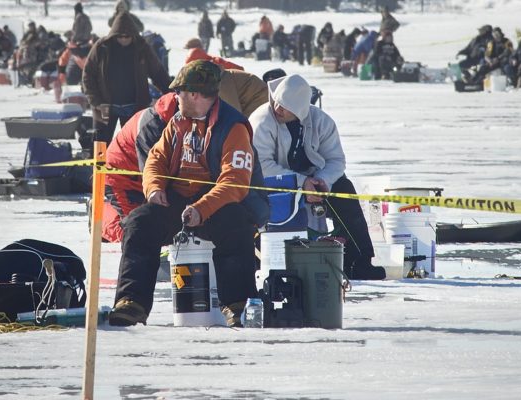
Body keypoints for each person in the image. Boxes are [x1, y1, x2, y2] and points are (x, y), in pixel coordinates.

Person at [109, 60, 269, 327]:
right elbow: (155, 159)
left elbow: (235, 182)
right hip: (179, 200)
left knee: (237, 225)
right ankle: (132, 302)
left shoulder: (234, 128)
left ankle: (237, 304)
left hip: (219, 202)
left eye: (179, 91)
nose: (175, 97)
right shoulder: (177, 122)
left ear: (194, 94)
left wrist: (202, 209)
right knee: (138, 222)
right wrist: (155, 187)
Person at [249, 74, 386, 281]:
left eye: (285, 107)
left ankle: (359, 261)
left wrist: (324, 182)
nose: (278, 109)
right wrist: (301, 183)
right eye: (277, 103)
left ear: (300, 111)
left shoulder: (322, 121)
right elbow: (261, 165)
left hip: (314, 180)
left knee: (344, 189)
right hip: (274, 184)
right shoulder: (261, 121)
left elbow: (336, 160)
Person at [83, 12, 170, 144]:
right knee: (100, 146)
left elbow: (158, 72)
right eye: (120, 36)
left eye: (127, 36)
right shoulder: (101, 47)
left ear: (133, 35)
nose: (124, 39)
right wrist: (95, 101)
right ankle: (100, 165)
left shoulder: (142, 47)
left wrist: (170, 92)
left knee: (134, 146)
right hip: (105, 106)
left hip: (134, 106)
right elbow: (88, 75)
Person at [102, 92, 179, 243]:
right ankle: (101, 215)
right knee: (132, 233)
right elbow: (152, 169)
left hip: (141, 176)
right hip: (121, 179)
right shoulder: (151, 125)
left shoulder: (186, 116)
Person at [185, 48, 267, 117]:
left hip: (259, 100)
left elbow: (233, 113)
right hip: (250, 100)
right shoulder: (214, 75)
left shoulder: (220, 80)